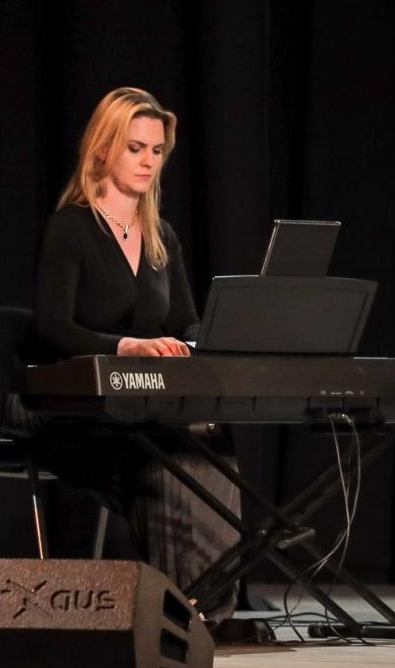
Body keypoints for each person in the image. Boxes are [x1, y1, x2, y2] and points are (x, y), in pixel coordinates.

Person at [28, 87, 240, 621]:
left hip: (147, 405)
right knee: (165, 449)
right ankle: (179, 609)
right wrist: (127, 346)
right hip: (85, 413)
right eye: (136, 148)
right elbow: (53, 328)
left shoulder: (160, 234)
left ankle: (210, 602)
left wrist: (202, 343)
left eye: (157, 151)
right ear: (103, 150)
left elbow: (185, 320)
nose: (148, 162)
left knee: (211, 439)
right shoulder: (71, 228)